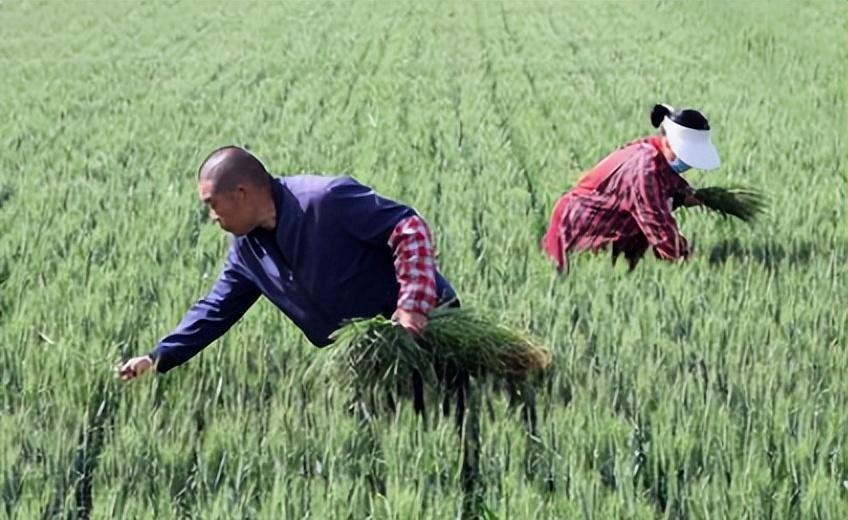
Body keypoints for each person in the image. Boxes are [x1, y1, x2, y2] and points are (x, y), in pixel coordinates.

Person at [118, 146, 457, 380]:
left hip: (430, 331)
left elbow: (408, 227)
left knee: (455, 417)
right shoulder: (247, 252)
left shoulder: (324, 200)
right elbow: (215, 310)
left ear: (241, 193)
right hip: (372, 353)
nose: (211, 216)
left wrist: (413, 308)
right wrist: (157, 357)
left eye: (213, 204)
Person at [542, 104, 722, 272]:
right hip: (582, 228)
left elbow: (667, 182)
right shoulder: (644, 169)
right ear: (668, 142)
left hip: (609, 227)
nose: (688, 164)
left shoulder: (654, 151)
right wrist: (691, 262)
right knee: (574, 284)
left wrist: (690, 196)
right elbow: (658, 226)